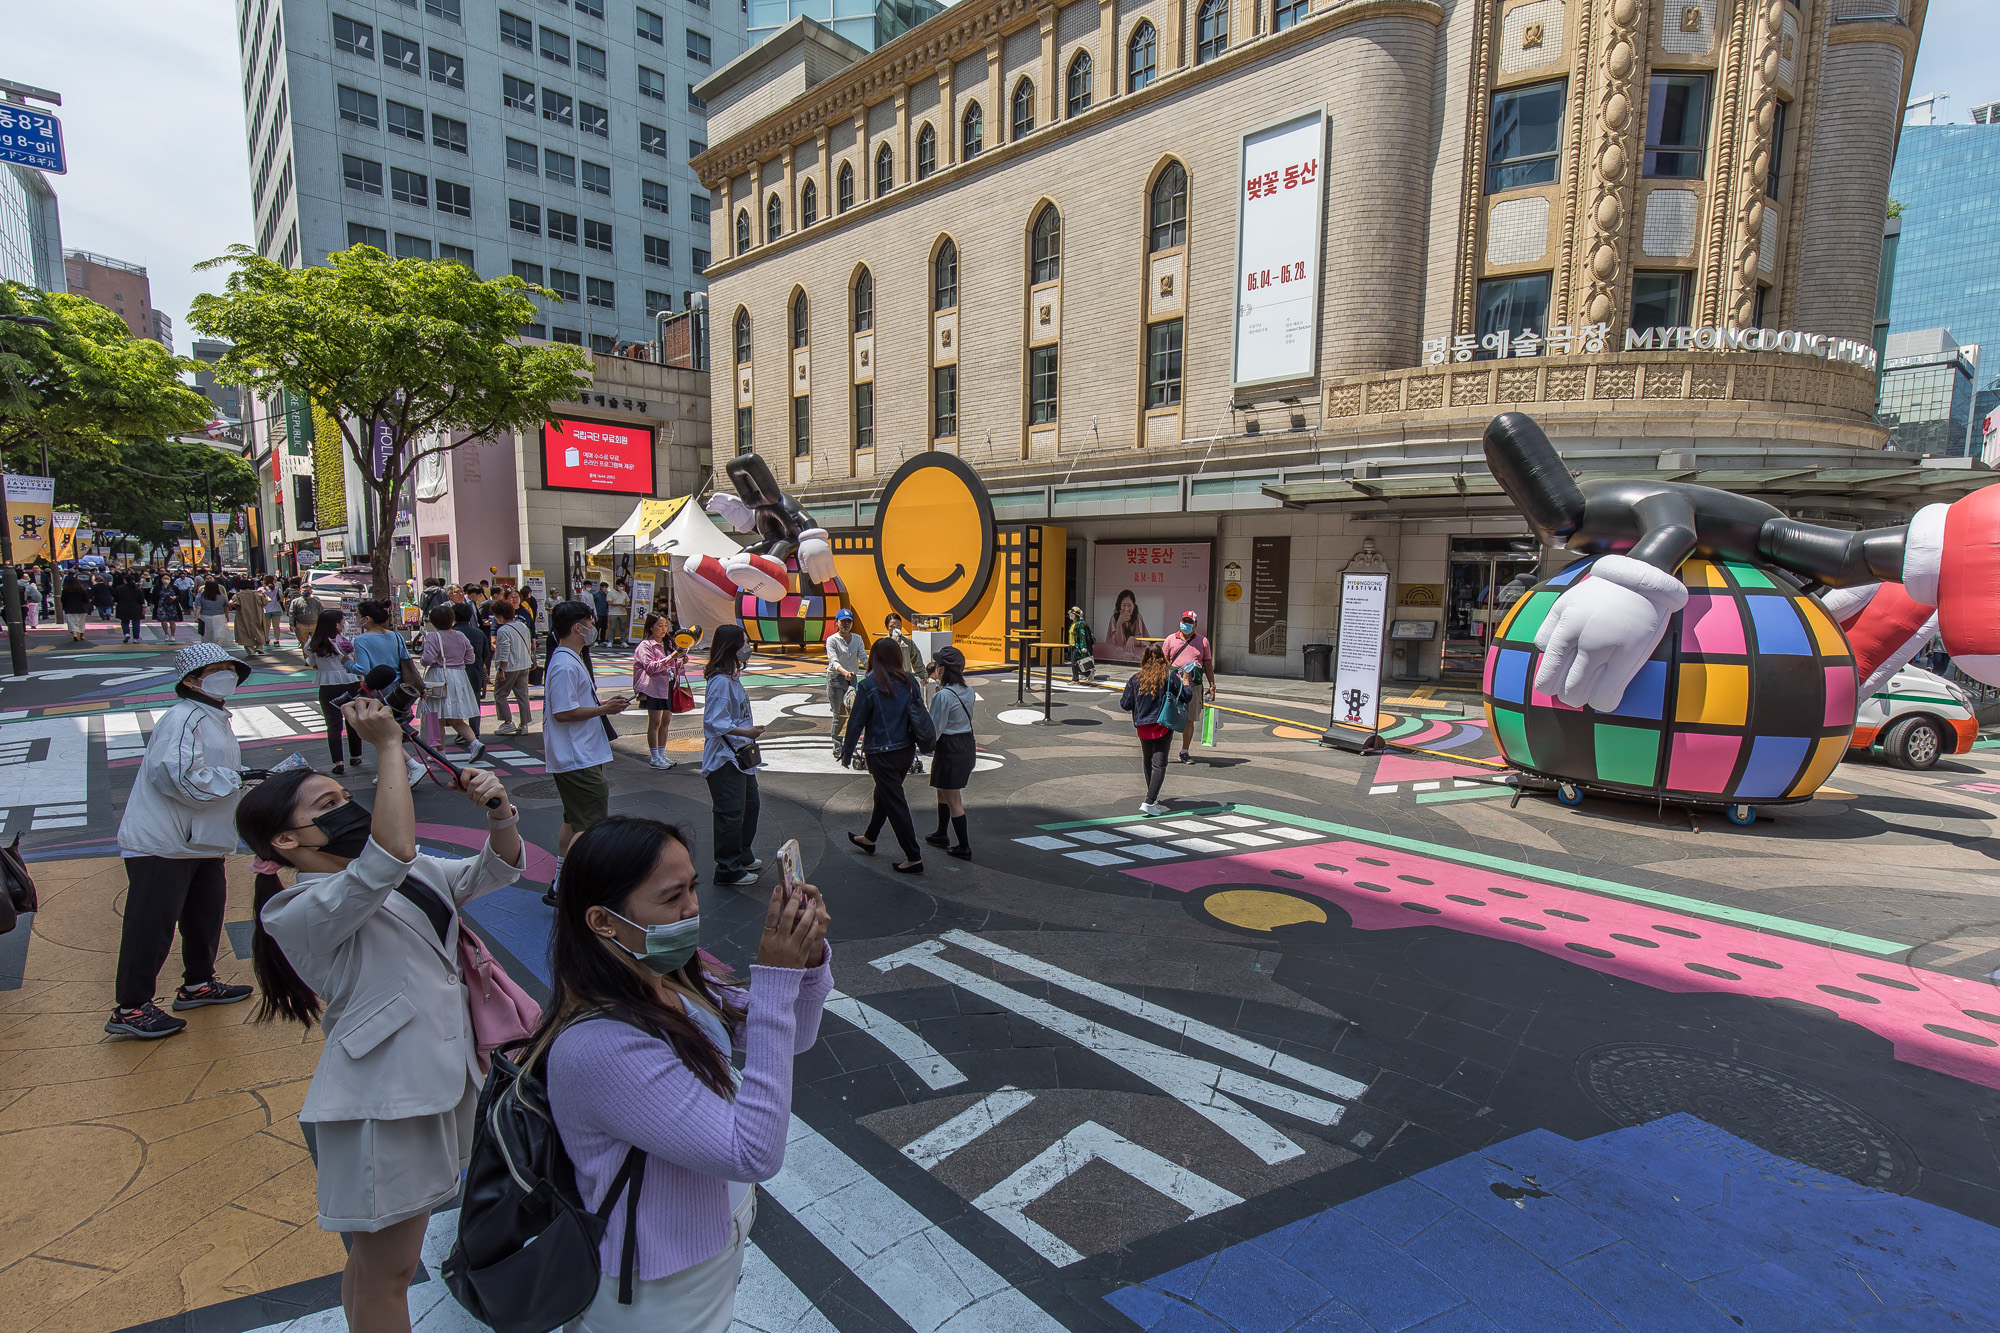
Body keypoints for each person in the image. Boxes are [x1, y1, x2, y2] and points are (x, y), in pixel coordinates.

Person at [240, 704, 523, 1333]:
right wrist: (390, 744)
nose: (348, 808)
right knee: (389, 1273)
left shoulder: (402, 870)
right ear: (285, 841)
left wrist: (499, 812)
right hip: (382, 1101)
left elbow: (494, 870)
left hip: (440, 1077)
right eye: (326, 804)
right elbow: (388, 851)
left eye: (346, 795)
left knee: (373, 1268)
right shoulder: (296, 909)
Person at [542, 817, 831, 1333]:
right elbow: (754, 1152)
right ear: (603, 922)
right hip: (655, 1283)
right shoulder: (599, 1046)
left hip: (712, 1238)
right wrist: (777, 978)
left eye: (693, 886)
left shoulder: (668, 977)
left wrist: (807, 965)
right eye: (672, 895)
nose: (693, 907)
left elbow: (794, 1037)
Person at [106, 642, 258, 1038]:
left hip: (200, 841)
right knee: (150, 926)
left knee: (205, 916)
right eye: (217, 669)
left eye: (230, 668)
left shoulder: (213, 717)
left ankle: (198, 984)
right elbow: (176, 775)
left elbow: (208, 771)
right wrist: (235, 780)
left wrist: (245, 775)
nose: (228, 674)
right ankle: (131, 1007)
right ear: (191, 680)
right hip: (163, 842)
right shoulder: (184, 717)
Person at [542, 600, 633, 904]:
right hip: (576, 756)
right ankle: (576, 887)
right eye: (590, 622)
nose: (594, 627)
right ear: (577, 626)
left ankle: (560, 882)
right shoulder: (566, 664)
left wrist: (604, 706)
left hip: (578, 754)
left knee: (573, 821)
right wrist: (604, 708)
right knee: (590, 826)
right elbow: (563, 712)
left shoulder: (568, 660)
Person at [839, 637, 924, 874]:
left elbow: (856, 722)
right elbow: (919, 713)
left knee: (894, 801)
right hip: (906, 750)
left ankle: (913, 856)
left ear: (874, 658)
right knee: (885, 794)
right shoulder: (910, 681)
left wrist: (847, 752)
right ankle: (870, 837)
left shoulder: (868, 685)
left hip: (880, 753)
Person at [701, 624, 765, 886]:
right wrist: (747, 731)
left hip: (739, 756)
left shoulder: (731, 679)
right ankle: (727, 868)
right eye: (744, 642)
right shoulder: (719, 682)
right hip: (726, 759)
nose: (748, 647)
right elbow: (714, 722)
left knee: (750, 806)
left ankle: (742, 854)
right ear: (731, 647)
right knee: (731, 812)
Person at [923, 647, 977, 859]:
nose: (935, 669)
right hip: (965, 743)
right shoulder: (968, 690)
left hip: (949, 747)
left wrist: (920, 743)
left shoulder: (943, 696)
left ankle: (964, 846)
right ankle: (941, 833)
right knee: (942, 790)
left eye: (937, 666)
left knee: (953, 798)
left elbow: (934, 730)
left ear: (943, 670)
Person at [420, 604, 484, 759]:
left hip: (438, 676)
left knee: (434, 716)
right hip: (459, 676)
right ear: (452, 619)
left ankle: (438, 751)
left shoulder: (433, 636)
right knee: (456, 717)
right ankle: (474, 742)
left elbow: (427, 660)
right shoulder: (460, 635)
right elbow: (470, 657)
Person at [307, 609, 365, 775]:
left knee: (333, 725)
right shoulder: (346, 641)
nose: (343, 623)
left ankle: (338, 762)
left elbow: (312, 663)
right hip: (349, 683)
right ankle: (355, 755)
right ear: (336, 624)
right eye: (342, 621)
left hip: (327, 686)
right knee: (352, 721)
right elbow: (354, 661)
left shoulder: (313, 642)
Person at [1119, 644, 1175, 816]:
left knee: (1147, 760)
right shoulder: (1169, 677)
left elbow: (1125, 704)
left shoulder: (1135, 679)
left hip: (1143, 727)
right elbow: (1186, 695)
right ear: (1162, 659)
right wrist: (1186, 684)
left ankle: (1154, 795)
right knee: (1159, 764)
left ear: (1144, 659)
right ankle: (1150, 801)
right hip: (1162, 726)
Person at [632, 612, 688, 769]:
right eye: (660, 626)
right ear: (651, 627)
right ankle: (655, 756)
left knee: (665, 721)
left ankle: (662, 754)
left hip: (668, 685)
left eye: (666, 626)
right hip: (653, 688)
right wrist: (671, 658)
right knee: (655, 722)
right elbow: (651, 667)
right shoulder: (645, 646)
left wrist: (680, 661)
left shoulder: (668, 644)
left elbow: (674, 667)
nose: (664, 629)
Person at [1162, 610, 1217, 763]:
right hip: (1173, 686)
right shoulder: (1170, 640)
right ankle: (1163, 750)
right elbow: (1163, 662)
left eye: (1189, 622)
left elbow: (1207, 664)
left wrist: (1212, 685)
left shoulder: (1203, 641)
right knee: (1168, 717)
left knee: (1190, 719)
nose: (1186, 624)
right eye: (1184, 621)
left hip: (1193, 686)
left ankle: (1184, 751)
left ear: (1195, 625)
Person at [883, 614, 927, 774]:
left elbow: (916, 658)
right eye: (892, 625)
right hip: (888, 684)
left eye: (898, 625)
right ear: (887, 627)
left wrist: (922, 674)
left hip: (905, 684)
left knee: (908, 718)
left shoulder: (907, 642)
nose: (895, 628)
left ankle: (907, 750)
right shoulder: (883, 643)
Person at [824, 609, 865, 767]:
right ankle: (837, 747)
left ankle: (850, 744)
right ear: (836, 622)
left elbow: (863, 656)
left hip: (852, 679)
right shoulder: (832, 640)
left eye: (849, 621)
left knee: (853, 712)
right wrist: (844, 672)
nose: (846, 624)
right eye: (842, 621)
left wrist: (872, 669)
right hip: (835, 679)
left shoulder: (857, 639)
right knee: (839, 714)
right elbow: (833, 661)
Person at [490, 599, 536, 735]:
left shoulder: (503, 630)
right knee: (522, 695)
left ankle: (508, 722)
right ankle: (524, 724)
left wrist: (501, 669)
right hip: (524, 665)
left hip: (509, 667)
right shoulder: (522, 626)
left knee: (500, 694)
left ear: (501, 616)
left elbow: (505, 650)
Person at [452, 600, 490, 732]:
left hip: (455, 674)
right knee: (474, 703)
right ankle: (474, 731)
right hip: (475, 672)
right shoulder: (478, 633)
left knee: (457, 703)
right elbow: (486, 654)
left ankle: (461, 731)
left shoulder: (450, 634)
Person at [232, 578, 270, 654]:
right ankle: (259, 646)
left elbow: (232, 604)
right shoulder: (257, 594)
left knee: (244, 631)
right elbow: (266, 601)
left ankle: (250, 649)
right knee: (259, 629)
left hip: (243, 616)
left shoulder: (238, 595)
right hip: (257, 614)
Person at [113, 573, 147, 644]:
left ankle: (126, 633)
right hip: (136, 607)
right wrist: (143, 607)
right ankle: (136, 638)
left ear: (125, 580)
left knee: (124, 622)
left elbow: (116, 598)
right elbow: (141, 599)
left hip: (123, 607)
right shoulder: (137, 589)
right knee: (136, 623)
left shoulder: (119, 588)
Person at [289, 583, 324, 652]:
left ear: (311, 592)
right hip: (301, 625)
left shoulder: (316, 602)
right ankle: (307, 661)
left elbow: (321, 613)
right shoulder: (295, 602)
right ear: (300, 591)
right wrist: (292, 625)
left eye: (308, 590)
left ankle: (314, 661)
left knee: (316, 644)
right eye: (304, 590)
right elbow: (291, 613)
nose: (306, 592)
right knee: (304, 645)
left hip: (314, 625)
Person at [1067, 606, 1095, 680]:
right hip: (1072, 646)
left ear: (1077, 615)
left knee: (1075, 663)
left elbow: (1082, 636)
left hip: (1078, 647)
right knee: (1074, 663)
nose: (1071, 615)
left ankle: (1087, 673)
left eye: (1072, 614)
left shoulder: (1080, 624)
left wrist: (1083, 647)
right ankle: (1075, 678)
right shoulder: (1073, 624)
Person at [59, 575, 91, 642]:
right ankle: (82, 635)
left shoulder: (65, 590)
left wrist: (64, 607)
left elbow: (63, 600)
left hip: (69, 608)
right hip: (81, 608)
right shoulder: (82, 590)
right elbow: (85, 599)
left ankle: (75, 634)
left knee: (72, 622)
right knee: (81, 622)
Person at [155, 577, 185, 643]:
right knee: (163, 620)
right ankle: (166, 633)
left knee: (172, 621)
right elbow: (154, 596)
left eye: (167, 578)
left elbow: (179, 595)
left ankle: (172, 635)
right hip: (162, 606)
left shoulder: (174, 587)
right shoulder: (158, 588)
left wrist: (176, 597)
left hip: (172, 606)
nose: (165, 580)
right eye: (164, 578)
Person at [607, 578, 630, 645]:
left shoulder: (624, 593)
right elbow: (609, 602)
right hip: (613, 613)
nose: (621, 587)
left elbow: (628, 601)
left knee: (623, 628)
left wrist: (626, 605)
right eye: (620, 586)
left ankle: (623, 641)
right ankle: (610, 641)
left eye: (622, 586)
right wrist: (619, 604)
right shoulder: (611, 593)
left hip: (622, 612)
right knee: (612, 628)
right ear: (616, 585)